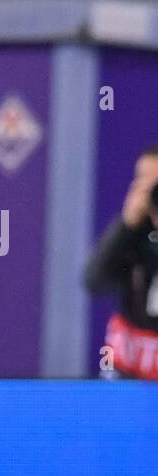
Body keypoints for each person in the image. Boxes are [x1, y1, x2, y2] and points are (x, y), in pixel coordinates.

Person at [85, 144, 158, 379]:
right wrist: (126, 226)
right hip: (129, 370)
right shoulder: (131, 234)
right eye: (143, 182)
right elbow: (94, 280)